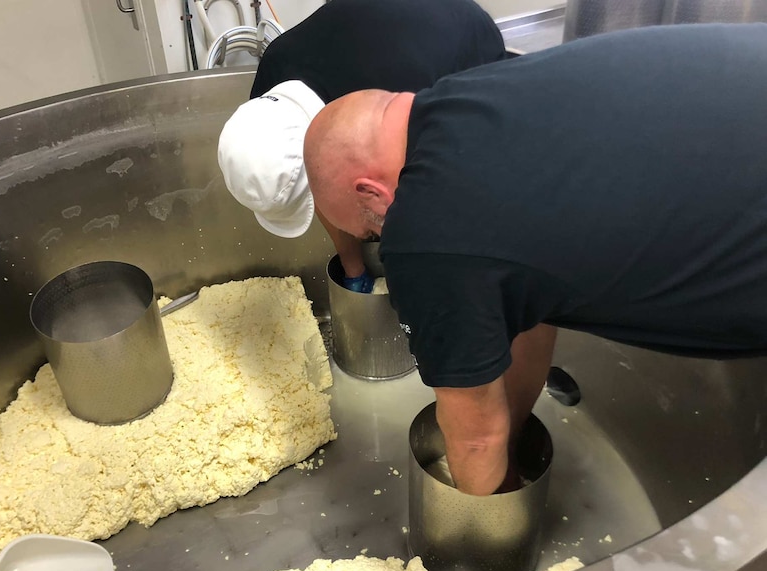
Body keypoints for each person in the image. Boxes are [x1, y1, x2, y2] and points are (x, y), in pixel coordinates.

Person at [302, 23, 767, 496]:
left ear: (370, 191)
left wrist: (491, 513)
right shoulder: (473, 91)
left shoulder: (425, 227)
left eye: (370, 229)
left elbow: (477, 441)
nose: (381, 238)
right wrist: (514, 433)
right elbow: (527, 307)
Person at [217, 0, 508, 292]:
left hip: (463, 41)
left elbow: (436, 197)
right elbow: (319, 192)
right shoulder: (269, 82)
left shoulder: (401, 101)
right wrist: (353, 267)